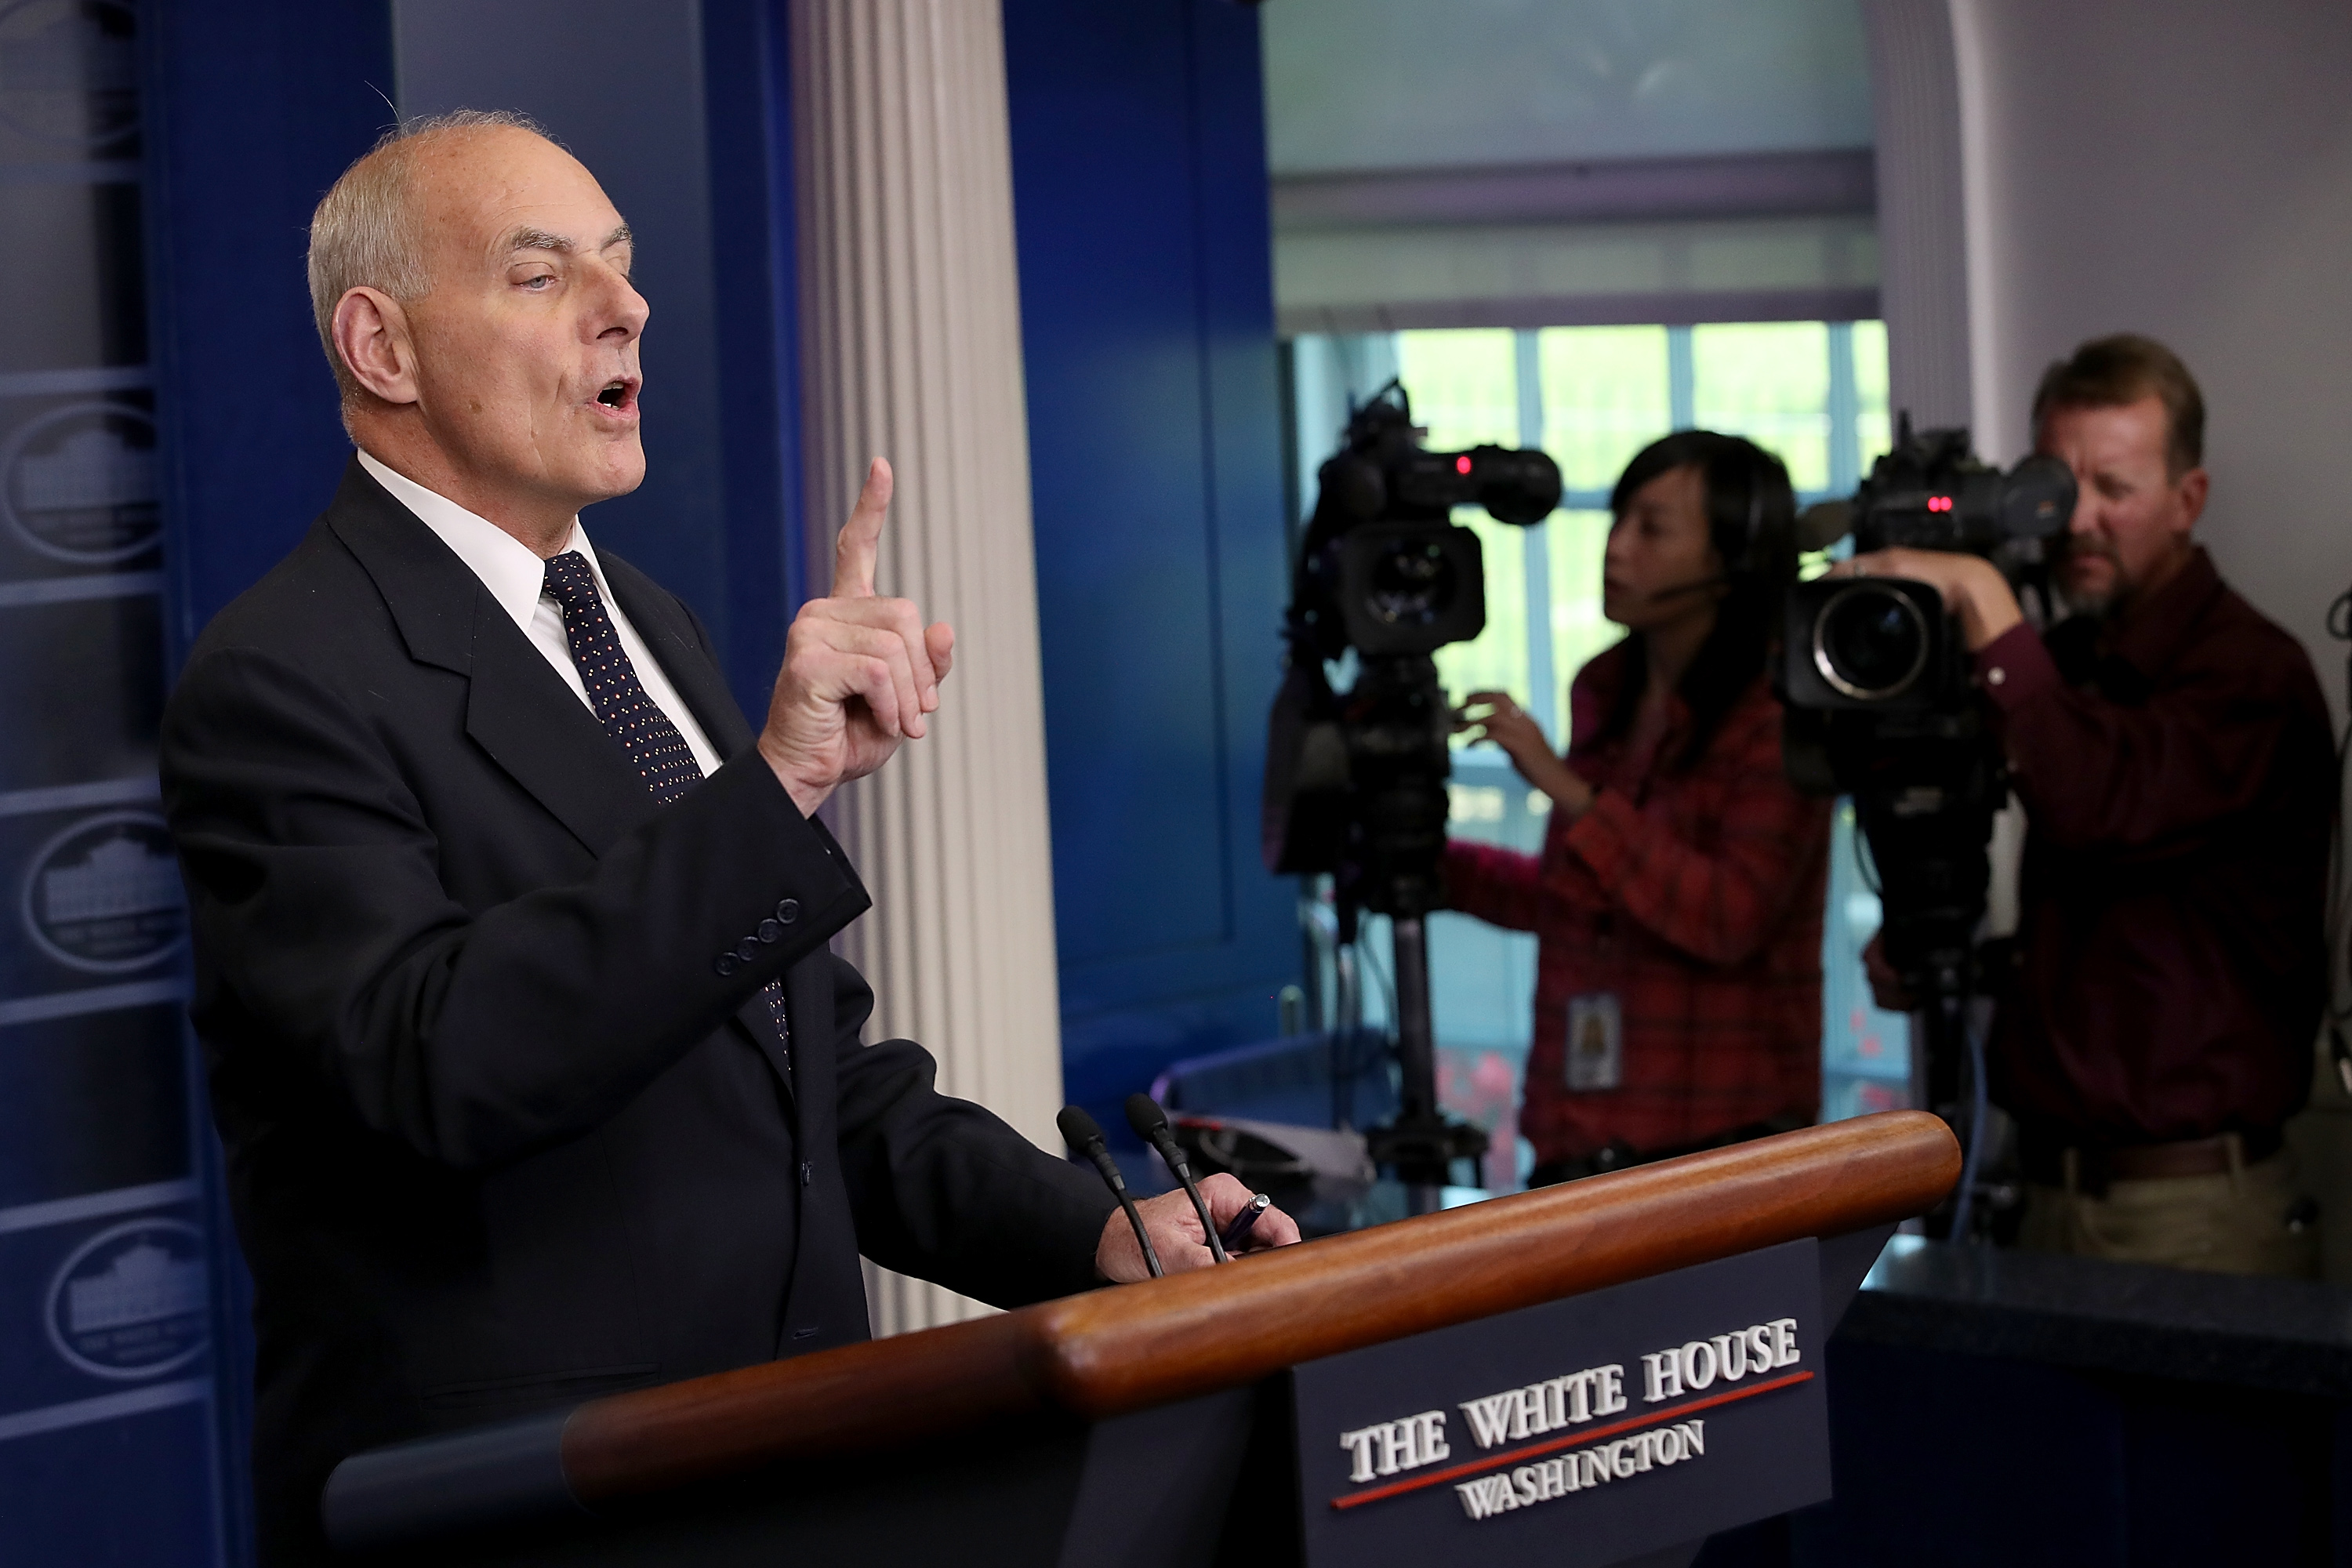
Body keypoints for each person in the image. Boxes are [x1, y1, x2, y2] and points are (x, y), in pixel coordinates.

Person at [158, 111, 1296, 1566]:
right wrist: (772, 794)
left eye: (622, 268)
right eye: (539, 274)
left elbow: (817, 1085)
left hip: (801, 1468)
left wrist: (1096, 1237)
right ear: (382, 348)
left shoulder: (644, 622)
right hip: (535, 1509)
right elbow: (435, 1061)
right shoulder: (284, 674)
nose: (625, 306)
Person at [1850, 333, 2333, 1277]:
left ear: (2188, 499)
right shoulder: (2069, 666)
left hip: (2189, 1210)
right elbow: (2121, 931)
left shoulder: (2251, 676)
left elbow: (2099, 802)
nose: (2079, 523)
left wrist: (1988, 610)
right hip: (2043, 1190)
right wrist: (1949, 956)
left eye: (2116, 490)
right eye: (2060, 490)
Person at [1449, 432, 1832, 1187]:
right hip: (1577, 1147)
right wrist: (1436, 867)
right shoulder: (1607, 691)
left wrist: (1569, 791)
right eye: (1618, 520)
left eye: (1651, 529)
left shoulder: (1779, 712)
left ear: (1731, 561)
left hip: (1719, 1161)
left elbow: (1729, 915)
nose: (1615, 549)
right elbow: (1587, 903)